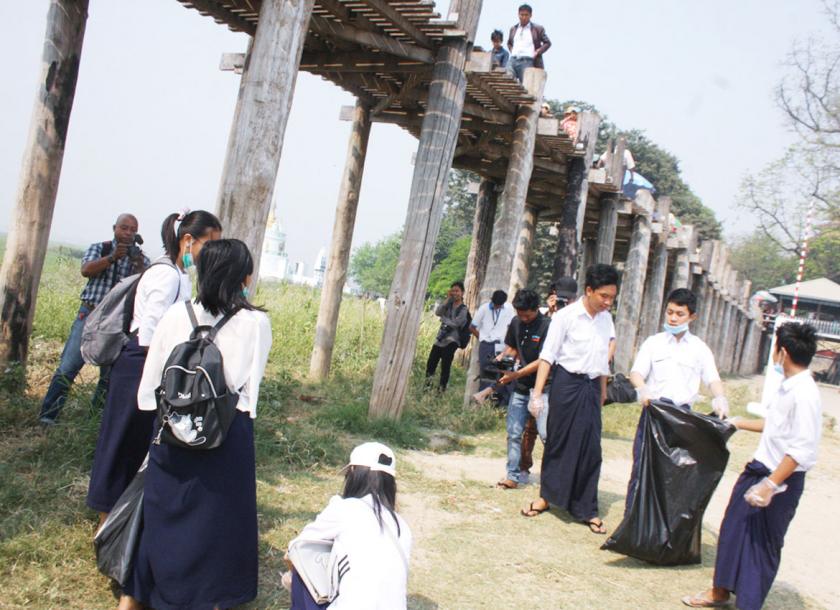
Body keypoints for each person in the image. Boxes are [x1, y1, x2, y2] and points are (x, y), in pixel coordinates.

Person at [118, 239, 271, 610]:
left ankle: (139, 595)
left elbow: (149, 387)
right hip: (226, 433)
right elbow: (249, 395)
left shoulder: (175, 315)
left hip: (171, 430)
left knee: (161, 516)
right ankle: (207, 597)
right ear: (243, 278)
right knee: (216, 523)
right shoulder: (255, 323)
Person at [86, 210, 222, 524]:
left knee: (135, 441)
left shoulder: (178, 274)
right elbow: (149, 332)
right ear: (188, 241)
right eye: (209, 243)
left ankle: (122, 514)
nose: (212, 251)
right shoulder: (166, 274)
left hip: (149, 363)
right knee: (122, 439)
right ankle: (107, 518)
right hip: (141, 363)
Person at [683, 323, 822, 610]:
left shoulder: (805, 393)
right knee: (733, 529)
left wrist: (770, 485)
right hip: (758, 469)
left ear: (782, 352)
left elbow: (801, 449)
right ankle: (719, 591)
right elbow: (776, 425)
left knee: (762, 545)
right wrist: (737, 423)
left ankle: (747, 603)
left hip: (781, 480)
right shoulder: (787, 386)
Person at [521, 264, 619, 535]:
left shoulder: (605, 319)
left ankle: (586, 507)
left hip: (590, 386)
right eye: (603, 296)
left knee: (590, 448)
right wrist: (537, 395)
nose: (608, 302)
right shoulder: (565, 317)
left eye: (612, 297)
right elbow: (548, 357)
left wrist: (601, 392)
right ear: (589, 291)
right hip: (566, 384)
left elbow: (601, 361)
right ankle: (548, 497)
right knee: (559, 441)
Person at [38, 214, 149, 425]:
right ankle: (47, 417)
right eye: (124, 228)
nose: (128, 232)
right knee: (68, 367)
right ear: (114, 228)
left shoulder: (140, 258)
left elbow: (146, 285)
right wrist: (112, 257)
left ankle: (95, 420)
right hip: (89, 314)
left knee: (108, 376)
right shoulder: (101, 248)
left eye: (132, 229)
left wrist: (137, 263)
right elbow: (86, 270)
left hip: (116, 322)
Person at [627, 288, 729, 512]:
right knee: (642, 467)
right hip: (654, 413)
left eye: (679, 314)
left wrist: (720, 397)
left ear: (692, 316)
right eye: (670, 312)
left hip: (681, 419)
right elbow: (636, 373)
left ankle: (662, 526)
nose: (673, 318)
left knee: (673, 473)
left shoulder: (699, 349)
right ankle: (632, 519)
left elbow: (712, 378)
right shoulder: (654, 343)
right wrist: (643, 389)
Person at [284, 442, 412, 610]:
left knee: (301, 565)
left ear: (353, 473)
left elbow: (296, 547)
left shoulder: (346, 508)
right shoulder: (402, 526)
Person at [491, 289, 553, 489]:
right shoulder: (516, 323)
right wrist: (500, 360)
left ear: (536, 309)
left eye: (527, 314)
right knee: (514, 432)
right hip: (520, 387)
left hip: (543, 388)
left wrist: (517, 374)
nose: (523, 318)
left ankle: (552, 479)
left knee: (546, 434)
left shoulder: (547, 326)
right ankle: (512, 475)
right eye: (520, 314)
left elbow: (544, 360)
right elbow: (512, 348)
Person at [425, 281, 468, 391]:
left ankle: (441, 390)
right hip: (440, 338)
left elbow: (456, 323)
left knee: (445, 365)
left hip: (453, 340)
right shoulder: (448, 305)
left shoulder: (463, 309)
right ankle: (427, 387)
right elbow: (438, 312)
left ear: (462, 293)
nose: (455, 293)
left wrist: (444, 320)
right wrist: (447, 300)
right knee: (431, 363)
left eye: (457, 291)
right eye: (453, 290)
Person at [470, 289, 515, 387]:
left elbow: (512, 326)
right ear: (491, 300)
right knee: (486, 373)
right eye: (495, 304)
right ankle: (482, 397)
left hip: (501, 345)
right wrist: (482, 338)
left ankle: (495, 398)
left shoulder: (509, 308)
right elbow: (472, 327)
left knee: (500, 373)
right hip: (486, 344)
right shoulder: (484, 308)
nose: (497, 307)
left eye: (499, 305)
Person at [507, 4, 551, 83]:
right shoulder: (513, 29)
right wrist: (512, 51)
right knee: (507, 80)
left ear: (531, 15)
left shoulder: (537, 29)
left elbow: (547, 43)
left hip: (527, 61)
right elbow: (509, 43)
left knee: (526, 86)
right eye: (522, 15)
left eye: (526, 15)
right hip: (513, 60)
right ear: (518, 14)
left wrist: (538, 52)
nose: (524, 17)